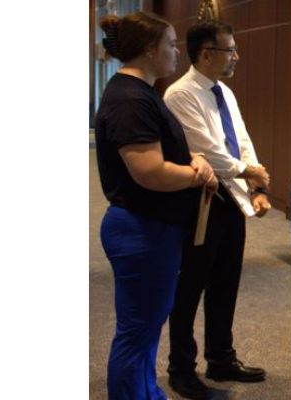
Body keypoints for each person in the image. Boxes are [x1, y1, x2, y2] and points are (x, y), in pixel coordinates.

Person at [95, 11, 218, 400]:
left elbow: (165, 155)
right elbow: (149, 172)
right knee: (136, 332)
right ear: (150, 50)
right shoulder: (131, 98)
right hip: (142, 230)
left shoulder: (140, 91)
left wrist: (193, 160)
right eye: (171, 45)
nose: (177, 53)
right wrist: (199, 174)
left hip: (151, 228)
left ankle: (147, 393)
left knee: (146, 326)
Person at [162, 21, 271, 399]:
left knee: (225, 283)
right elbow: (206, 149)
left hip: (230, 201)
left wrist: (256, 185)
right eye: (231, 50)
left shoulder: (224, 91)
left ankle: (221, 358)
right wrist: (248, 171)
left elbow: (241, 140)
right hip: (200, 201)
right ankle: (181, 368)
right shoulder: (181, 94)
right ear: (207, 53)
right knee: (190, 286)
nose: (237, 56)